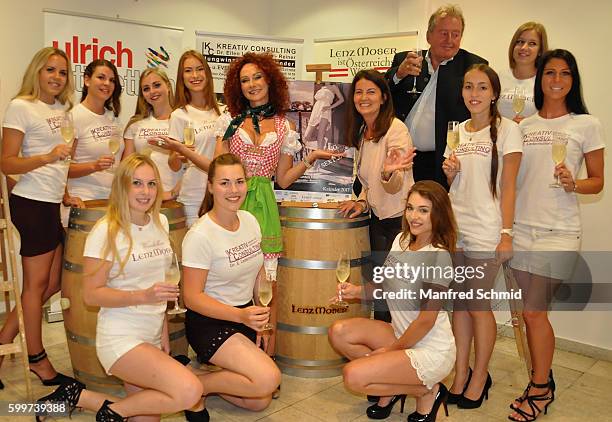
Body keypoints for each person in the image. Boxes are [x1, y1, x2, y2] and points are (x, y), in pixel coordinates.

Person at [36, 154, 203, 421]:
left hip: (149, 335)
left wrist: (161, 333)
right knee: (190, 390)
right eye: (137, 183)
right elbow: (91, 294)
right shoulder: (105, 231)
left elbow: (157, 285)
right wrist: (144, 296)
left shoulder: (159, 222)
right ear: (122, 186)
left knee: (145, 416)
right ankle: (111, 413)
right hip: (120, 338)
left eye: (151, 184)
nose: (145, 191)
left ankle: (79, 397)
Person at [508, 49, 604, 422]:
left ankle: (540, 388)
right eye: (550, 73)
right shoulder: (523, 126)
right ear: (540, 78)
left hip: (559, 231)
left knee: (533, 312)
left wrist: (573, 184)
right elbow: (511, 181)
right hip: (521, 230)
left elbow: (597, 182)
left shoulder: (586, 124)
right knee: (531, 315)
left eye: (565, 73)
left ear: (572, 79)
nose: (557, 80)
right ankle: (541, 378)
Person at [329, 180, 457, 422]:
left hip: (431, 348)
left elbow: (426, 321)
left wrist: (390, 351)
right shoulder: (402, 240)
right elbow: (384, 284)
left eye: (423, 210)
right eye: (410, 208)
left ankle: (430, 390)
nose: (414, 217)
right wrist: (355, 291)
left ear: (438, 214)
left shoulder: (439, 257)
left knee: (353, 376)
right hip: (401, 333)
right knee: (339, 332)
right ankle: (395, 382)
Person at [442, 64, 522, 409]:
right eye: (469, 87)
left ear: (494, 93)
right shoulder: (457, 131)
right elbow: (455, 185)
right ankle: (460, 373)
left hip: (487, 231)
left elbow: (508, 187)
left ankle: (480, 376)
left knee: (477, 304)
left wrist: (506, 234)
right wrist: (449, 173)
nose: (474, 94)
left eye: (482, 88)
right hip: (456, 228)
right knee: (459, 305)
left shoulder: (507, 131)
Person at [182, 153, 281, 419]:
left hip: (245, 317)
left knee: (258, 402)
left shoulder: (250, 220)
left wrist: (262, 318)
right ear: (210, 186)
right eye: (224, 183)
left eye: (239, 181)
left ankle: (200, 377)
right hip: (210, 322)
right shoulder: (200, 235)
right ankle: (189, 386)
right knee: (267, 379)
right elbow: (191, 298)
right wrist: (241, 316)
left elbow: (260, 276)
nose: (233, 190)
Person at [0, 47, 75, 388]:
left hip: (50, 203)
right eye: (50, 70)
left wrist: (62, 192)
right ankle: (37, 359)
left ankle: (4, 339)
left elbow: (61, 163)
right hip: (31, 204)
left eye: (62, 72)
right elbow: (7, 162)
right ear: (37, 72)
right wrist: (46, 158)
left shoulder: (63, 109)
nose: (56, 77)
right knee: (35, 286)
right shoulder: (21, 106)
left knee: (54, 282)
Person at [338, 69, 415, 322]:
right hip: (377, 222)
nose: (363, 97)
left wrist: (388, 173)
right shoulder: (363, 133)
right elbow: (368, 183)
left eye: (371, 91)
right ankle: (383, 349)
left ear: (383, 97)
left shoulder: (395, 129)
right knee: (381, 293)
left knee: (395, 293)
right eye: (359, 92)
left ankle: (396, 353)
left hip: (398, 222)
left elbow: (396, 184)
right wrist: (361, 201)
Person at [385, 4, 486, 188]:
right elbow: (382, 94)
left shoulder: (473, 66)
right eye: (443, 33)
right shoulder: (405, 60)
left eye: (455, 34)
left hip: (445, 162)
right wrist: (398, 74)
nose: (449, 40)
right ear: (428, 36)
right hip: (402, 159)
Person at [167, 50, 222, 227]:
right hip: (193, 197)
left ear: (207, 73)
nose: (195, 75)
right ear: (182, 77)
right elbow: (174, 165)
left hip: (221, 195)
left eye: (199, 69)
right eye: (188, 70)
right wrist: (178, 155)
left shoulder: (223, 111)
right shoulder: (179, 115)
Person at [67, 59, 123, 204]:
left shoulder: (113, 117)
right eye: (101, 77)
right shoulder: (73, 116)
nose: (107, 84)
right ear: (87, 80)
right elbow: (63, 168)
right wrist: (94, 166)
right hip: (84, 201)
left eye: (111, 80)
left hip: (113, 201)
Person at [123, 68, 180, 200]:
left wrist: (174, 192)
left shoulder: (182, 120)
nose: (152, 91)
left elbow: (191, 166)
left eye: (157, 85)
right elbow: (126, 168)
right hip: (142, 198)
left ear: (168, 86)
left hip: (175, 200)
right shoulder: (135, 125)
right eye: (146, 89)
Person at [498, 22, 548, 122]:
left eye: (532, 43)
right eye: (520, 42)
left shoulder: (545, 81)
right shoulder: (499, 77)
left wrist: (529, 123)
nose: (524, 48)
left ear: (540, 51)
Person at [303, 82, 344, 149]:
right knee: (306, 137)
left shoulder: (333, 87)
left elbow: (342, 100)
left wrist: (329, 107)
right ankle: (323, 141)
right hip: (316, 110)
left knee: (320, 136)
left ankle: (319, 153)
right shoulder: (321, 87)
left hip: (325, 110)